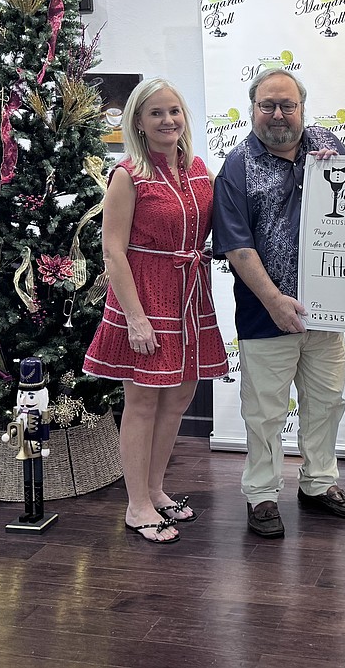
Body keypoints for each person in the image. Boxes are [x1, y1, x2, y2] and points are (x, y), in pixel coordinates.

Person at [212, 68, 345, 539]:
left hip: (327, 310)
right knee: (264, 412)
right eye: (267, 105)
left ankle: (317, 484)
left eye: (287, 105)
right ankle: (261, 494)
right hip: (264, 312)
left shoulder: (326, 144)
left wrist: (340, 168)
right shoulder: (236, 166)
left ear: (302, 107)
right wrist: (275, 301)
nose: (278, 115)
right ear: (253, 108)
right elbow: (237, 246)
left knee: (325, 403)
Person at [83, 78, 227, 544]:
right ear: (139, 124)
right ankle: (136, 504)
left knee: (179, 398)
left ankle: (156, 488)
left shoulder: (199, 169)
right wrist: (136, 318)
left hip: (191, 293)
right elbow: (113, 252)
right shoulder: (127, 175)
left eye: (174, 111)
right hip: (145, 295)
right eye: (156, 114)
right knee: (142, 401)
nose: (168, 121)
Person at [2, 357, 53, 526]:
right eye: (23, 394)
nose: (25, 399)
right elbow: (16, 426)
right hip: (24, 447)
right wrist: (10, 435)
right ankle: (27, 509)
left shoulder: (41, 414)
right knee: (26, 478)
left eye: (30, 395)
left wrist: (45, 445)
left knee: (37, 478)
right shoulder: (20, 414)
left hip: (36, 447)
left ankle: (38, 511)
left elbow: (45, 430)